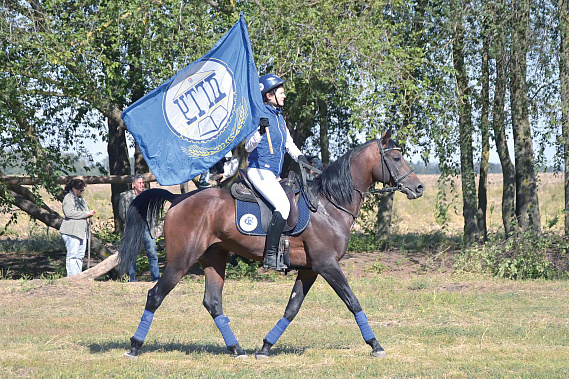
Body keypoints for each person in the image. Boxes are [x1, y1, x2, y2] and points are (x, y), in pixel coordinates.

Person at [245, 73, 309, 270]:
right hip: (258, 171)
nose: (284, 96)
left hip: (273, 175)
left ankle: (285, 250)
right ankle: (270, 256)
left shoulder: (280, 119)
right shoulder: (258, 115)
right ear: (269, 95)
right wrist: (260, 132)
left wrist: (301, 157)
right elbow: (248, 147)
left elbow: (289, 143)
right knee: (282, 205)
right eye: (281, 93)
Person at [119, 174, 160, 282]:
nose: (142, 185)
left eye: (143, 183)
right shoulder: (125, 196)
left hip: (147, 227)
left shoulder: (148, 195)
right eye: (140, 183)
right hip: (132, 228)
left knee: (152, 253)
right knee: (132, 254)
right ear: (133, 184)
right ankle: (132, 279)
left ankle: (156, 279)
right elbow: (122, 214)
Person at [59, 178, 96, 277]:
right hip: (71, 231)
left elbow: (85, 211)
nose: (81, 192)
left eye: (82, 190)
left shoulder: (81, 199)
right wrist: (86, 214)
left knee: (80, 256)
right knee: (72, 255)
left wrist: (88, 213)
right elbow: (69, 213)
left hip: (81, 231)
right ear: (73, 188)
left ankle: (78, 276)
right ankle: (71, 277)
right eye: (79, 190)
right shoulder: (68, 198)